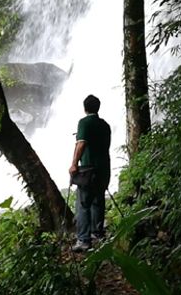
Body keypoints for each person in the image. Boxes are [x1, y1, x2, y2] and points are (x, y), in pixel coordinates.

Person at [69, 94, 111, 252]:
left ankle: (83, 240)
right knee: (98, 201)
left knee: (83, 204)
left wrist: (74, 164)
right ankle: (97, 233)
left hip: (88, 170)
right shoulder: (105, 125)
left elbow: (81, 144)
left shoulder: (84, 123)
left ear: (84, 108)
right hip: (104, 168)